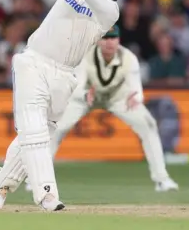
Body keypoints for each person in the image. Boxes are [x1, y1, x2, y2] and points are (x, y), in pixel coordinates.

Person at [0, 0, 129, 211]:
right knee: (34, 130)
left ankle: (1, 183)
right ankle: (47, 194)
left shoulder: (110, 11)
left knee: (38, 133)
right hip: (34, 62)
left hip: (65, 76)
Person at [30, 25, 178, 192]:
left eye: (113, 38)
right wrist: (86, 95)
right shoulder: (86, 56)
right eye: (105, 38)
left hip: (118, 98)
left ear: (119, 40)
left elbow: (137, 89)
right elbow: (77, 85)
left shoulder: (129, 58)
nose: (109, 43)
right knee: (57, 127)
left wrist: (135, 98)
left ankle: (162, 179)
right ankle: (38, 179)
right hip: (86, 97)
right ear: (98, 41)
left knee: (149, 124)